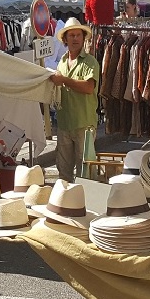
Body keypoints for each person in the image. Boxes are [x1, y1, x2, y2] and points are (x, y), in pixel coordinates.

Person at [47, 16, 100, 181]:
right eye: (71, 35)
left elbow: (88, 87)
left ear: (84, 39)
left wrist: (63, 80)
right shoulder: (62, 62)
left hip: (83, 123)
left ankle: (87, 204)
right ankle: (65, 203)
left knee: (86, 172)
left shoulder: (90, 61)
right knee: (63, 171)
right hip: (64, 123)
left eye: (78, 35)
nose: (75, 38)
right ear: (65, 39)